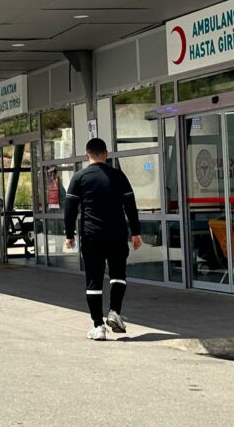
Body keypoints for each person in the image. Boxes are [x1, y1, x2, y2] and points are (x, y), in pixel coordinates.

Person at [64, 138, 142, 341]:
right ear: (106, 154)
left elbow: (70, 209)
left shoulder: (79, 178)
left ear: (86, 155)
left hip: (92, 236)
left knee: (94, 279)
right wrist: (136, 232)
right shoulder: (118, 176)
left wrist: (69, 235)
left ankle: (98, 326)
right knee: (118, 275)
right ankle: (114, 311)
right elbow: (130, 205)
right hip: (117, 234)